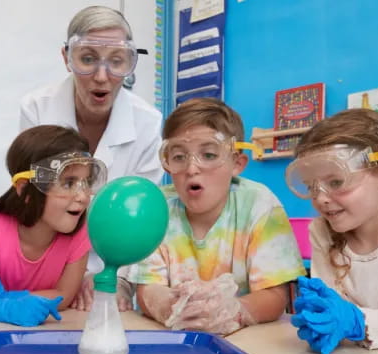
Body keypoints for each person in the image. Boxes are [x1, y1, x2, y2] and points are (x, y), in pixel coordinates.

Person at [19, 6, 164, 311]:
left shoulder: (147, 123)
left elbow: (141, 216)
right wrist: (73, 275)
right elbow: (34, 202)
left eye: (116, 61)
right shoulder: (37, 109)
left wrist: (117, 280)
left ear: (129, 63)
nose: (101, 76)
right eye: (87, 59)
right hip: (50, 269)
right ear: (66, 58)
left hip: (116, 268)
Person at [126, 97, 307, 335]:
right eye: (179, 156)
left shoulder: (259, 204)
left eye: (209, 155)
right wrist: (169, 305)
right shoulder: (157, 208)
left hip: (244, 340)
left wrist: (236, 310)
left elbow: (275, 296)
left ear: (237, 163)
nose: (192, 169)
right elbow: (147, 289)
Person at [286, 109, 378, 354]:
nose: (321, 199)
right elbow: (330, 307)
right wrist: (319, 318)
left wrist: (356, 321)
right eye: (312, 186)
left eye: (336, 182)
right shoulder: (322, 231)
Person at [0, 125, 107, 326]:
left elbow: (64, 295)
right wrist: (2, 308)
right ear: (25, 189)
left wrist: (6, 298)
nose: (83, 196)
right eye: (69, 183)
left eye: (86, 182)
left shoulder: (80, 233)